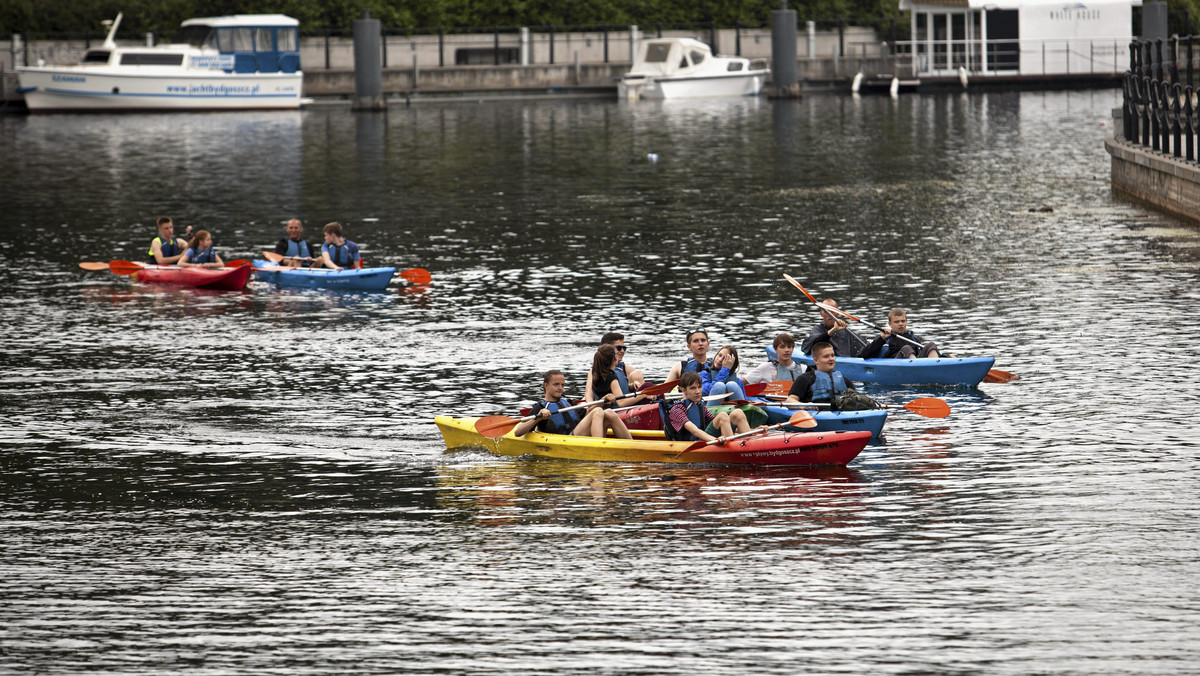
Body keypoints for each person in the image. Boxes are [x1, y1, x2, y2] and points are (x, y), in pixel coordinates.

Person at [512, 369, 633, 439]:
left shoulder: (568, 402)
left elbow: (587, 415)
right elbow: (518, 432)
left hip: (578, 435)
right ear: (546, 386)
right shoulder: (541, 407)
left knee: (609, 412)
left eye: (563, 385)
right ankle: (599, 448)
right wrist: (538, 418)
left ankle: (631, 445)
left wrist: (603, 401)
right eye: (556, 385)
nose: (560, 388)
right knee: (597, 411)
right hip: (567, 439)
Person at [663, 372, 751, 443]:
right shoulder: (677, 410)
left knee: (737, 413)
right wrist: (714, 440)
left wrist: (753, 430)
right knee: (723, 416)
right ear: (683, 390)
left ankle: (750, 441)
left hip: (705, 438)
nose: (697, 391)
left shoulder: (699, 405)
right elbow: (694, 431)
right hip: (693, 443)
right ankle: (733, 449)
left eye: (699, 387)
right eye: (693, 388)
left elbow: (721, 423)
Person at [786, 341, 856, 407]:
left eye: (832, 355)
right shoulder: (805, 379)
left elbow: (856, 399)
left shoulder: (845, 380)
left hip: (841, 413)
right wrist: (804, 406)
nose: (831, 359)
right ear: (816, 360)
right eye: (826, 356)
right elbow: (790, 400)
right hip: (814, 413)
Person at [584, 335, 648, 406]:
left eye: (624, 348)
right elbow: (589, 392)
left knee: (638, 375)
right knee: (648, 385)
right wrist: (644, 394)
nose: (622, 351)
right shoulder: (597, 373)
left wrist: (632, 386)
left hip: (617, 404)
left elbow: (616, 388)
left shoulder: (624, 369)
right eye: (619, 348)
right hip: (618, 408)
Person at [858, 308, 945, 359]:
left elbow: (922, 354)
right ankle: (919, 370)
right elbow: (863, 355)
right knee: (907, 348)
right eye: (896, 322)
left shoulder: (913, 339)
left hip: (916, 362)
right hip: (897, 365)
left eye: (903, 321)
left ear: (906, 322)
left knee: (931, 345)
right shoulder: (885, 339)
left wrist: (946, 357)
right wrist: (881, 339)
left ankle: (935, 366)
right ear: (890, 324)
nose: (900, 324)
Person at [800, 299, 868, 357]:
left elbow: (866, 348)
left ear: (838, 313)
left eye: (833, 311)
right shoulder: (817, 329)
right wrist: (833, 330)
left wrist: (878, 340)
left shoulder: (847, 332)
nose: (830, 314)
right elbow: (812, 345)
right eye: (827, 311)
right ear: (821, 314)